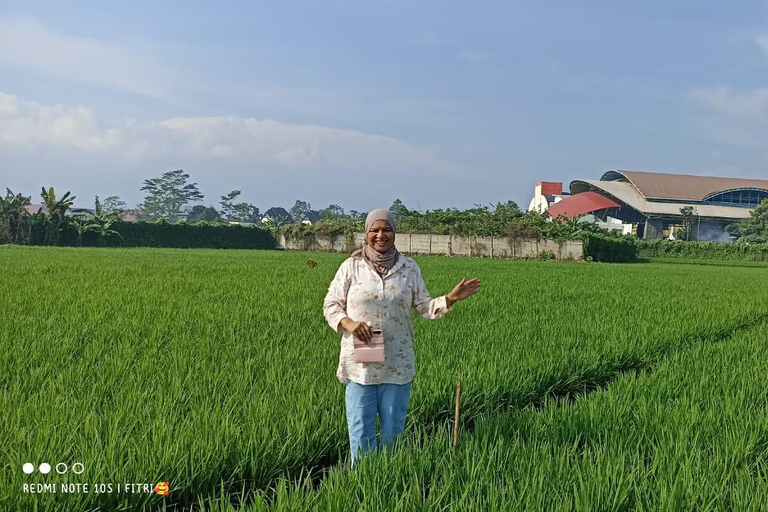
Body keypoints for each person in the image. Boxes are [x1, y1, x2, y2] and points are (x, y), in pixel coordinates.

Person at [323, 208, 481, 469]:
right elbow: (331, 304)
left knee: (393, 432)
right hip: (360, 364)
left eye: (386, 229)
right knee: (360, 431)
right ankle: (361, 485)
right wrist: (348, 323)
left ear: (395, 233)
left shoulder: (409, 268)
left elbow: (423, 307)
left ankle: (388, 479)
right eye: (374, 230)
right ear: (367, 233)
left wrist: (450, 299)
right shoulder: (352, 266)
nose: (380, 235)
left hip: (397, 363)